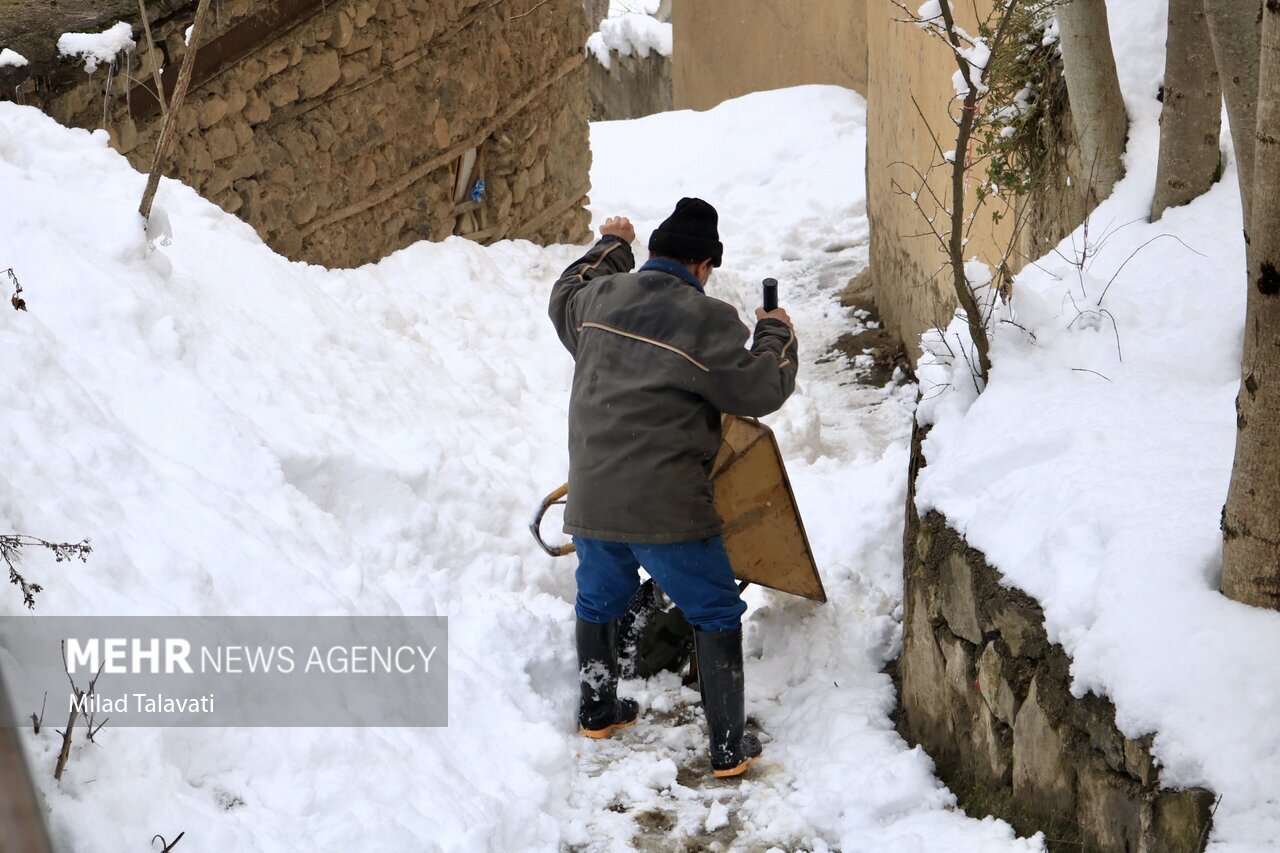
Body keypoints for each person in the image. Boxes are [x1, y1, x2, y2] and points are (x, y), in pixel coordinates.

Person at [548, 197, 798, 778]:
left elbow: (565, 291)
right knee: (714, 610)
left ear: (654, 252)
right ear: (705, 265)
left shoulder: (595, 301)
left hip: (593, 502)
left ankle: (599, 709)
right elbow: (759, 389)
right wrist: (773, 334)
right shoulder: (705, 320)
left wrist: (611, 245)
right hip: (667, 511)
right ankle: (729, 749)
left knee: (597, 600)